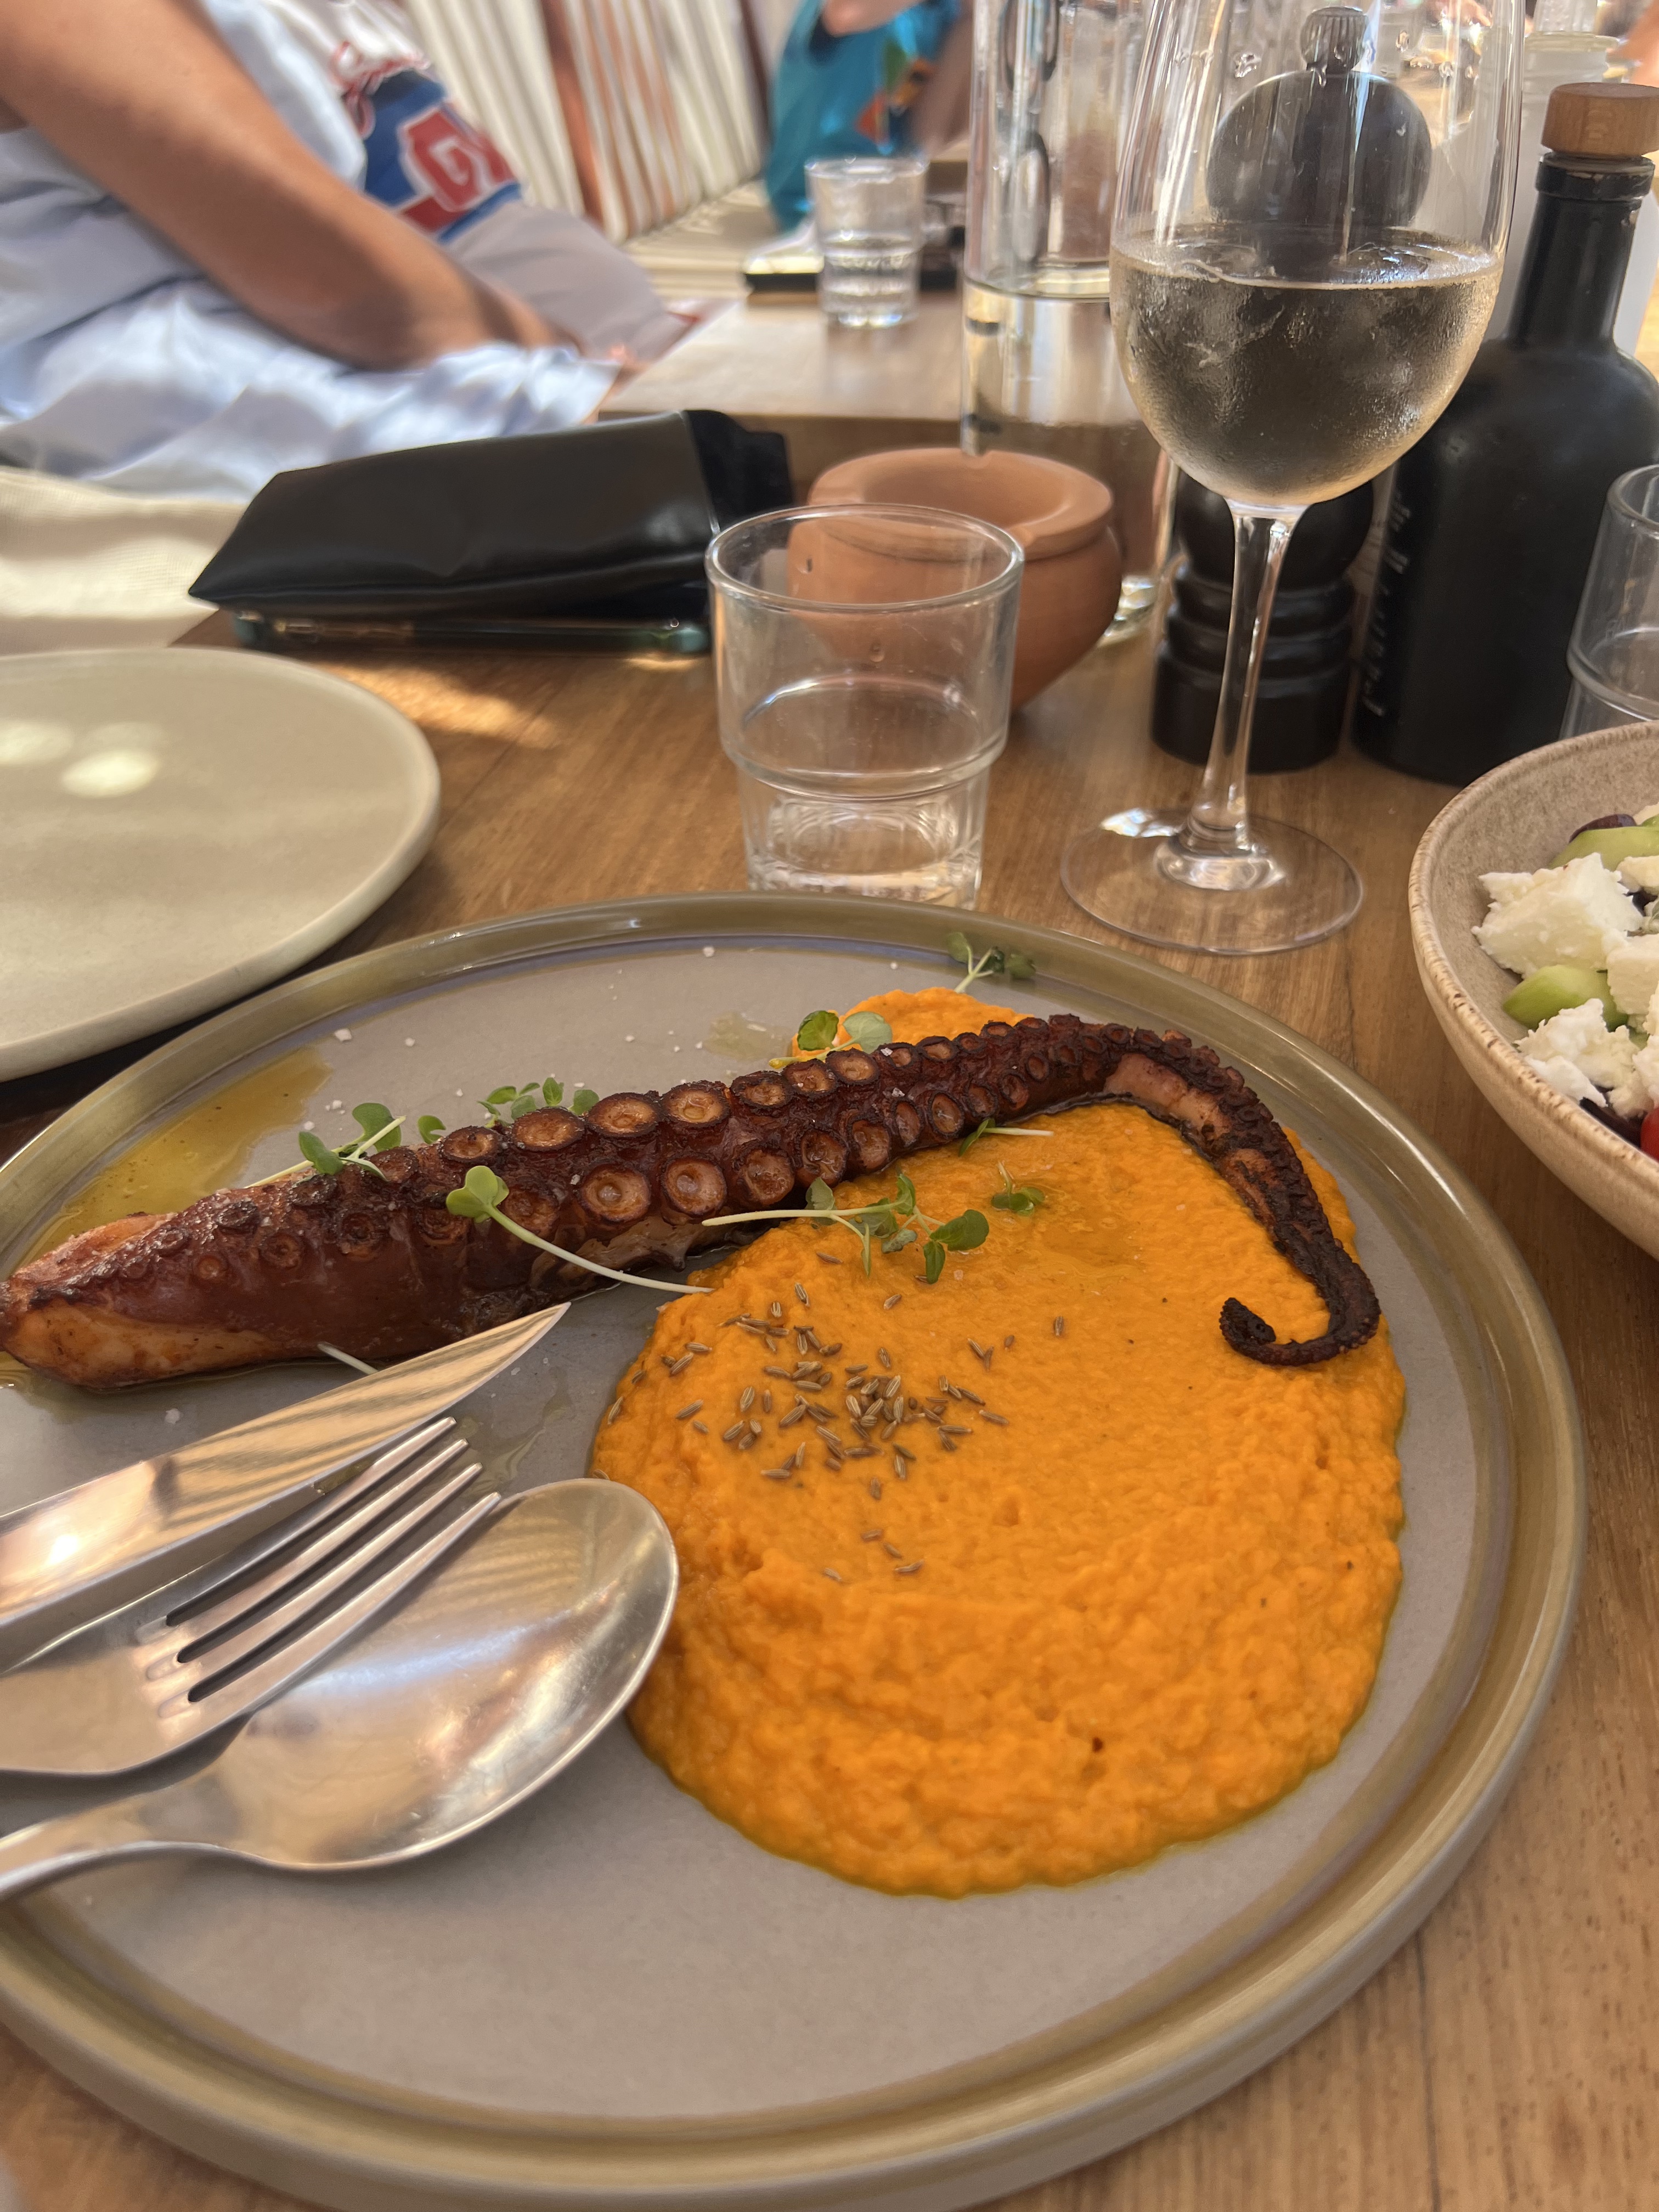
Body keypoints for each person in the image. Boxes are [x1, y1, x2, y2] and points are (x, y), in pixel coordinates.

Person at [0, 0, 694, 498]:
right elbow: (323, 274)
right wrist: (589, 373)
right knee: (742, 488)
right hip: (282, 448)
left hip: (310, 425)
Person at [764, 0, 970, 228]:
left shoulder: (940, 13)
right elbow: (843, 14)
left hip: (890, 201)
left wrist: (971, 22)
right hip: (817, 205)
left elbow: (926, 136)